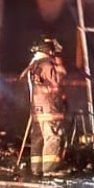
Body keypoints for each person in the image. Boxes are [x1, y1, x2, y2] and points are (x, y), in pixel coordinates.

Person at [26, 37, 68, 177]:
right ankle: (51, 169)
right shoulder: (47, 65)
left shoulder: (34, 65)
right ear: (49, 51)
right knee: (53, 136)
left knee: (38, 137)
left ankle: (36, 168)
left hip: (38, 108)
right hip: (50, 108)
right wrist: (60, 66)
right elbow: (58, 80)